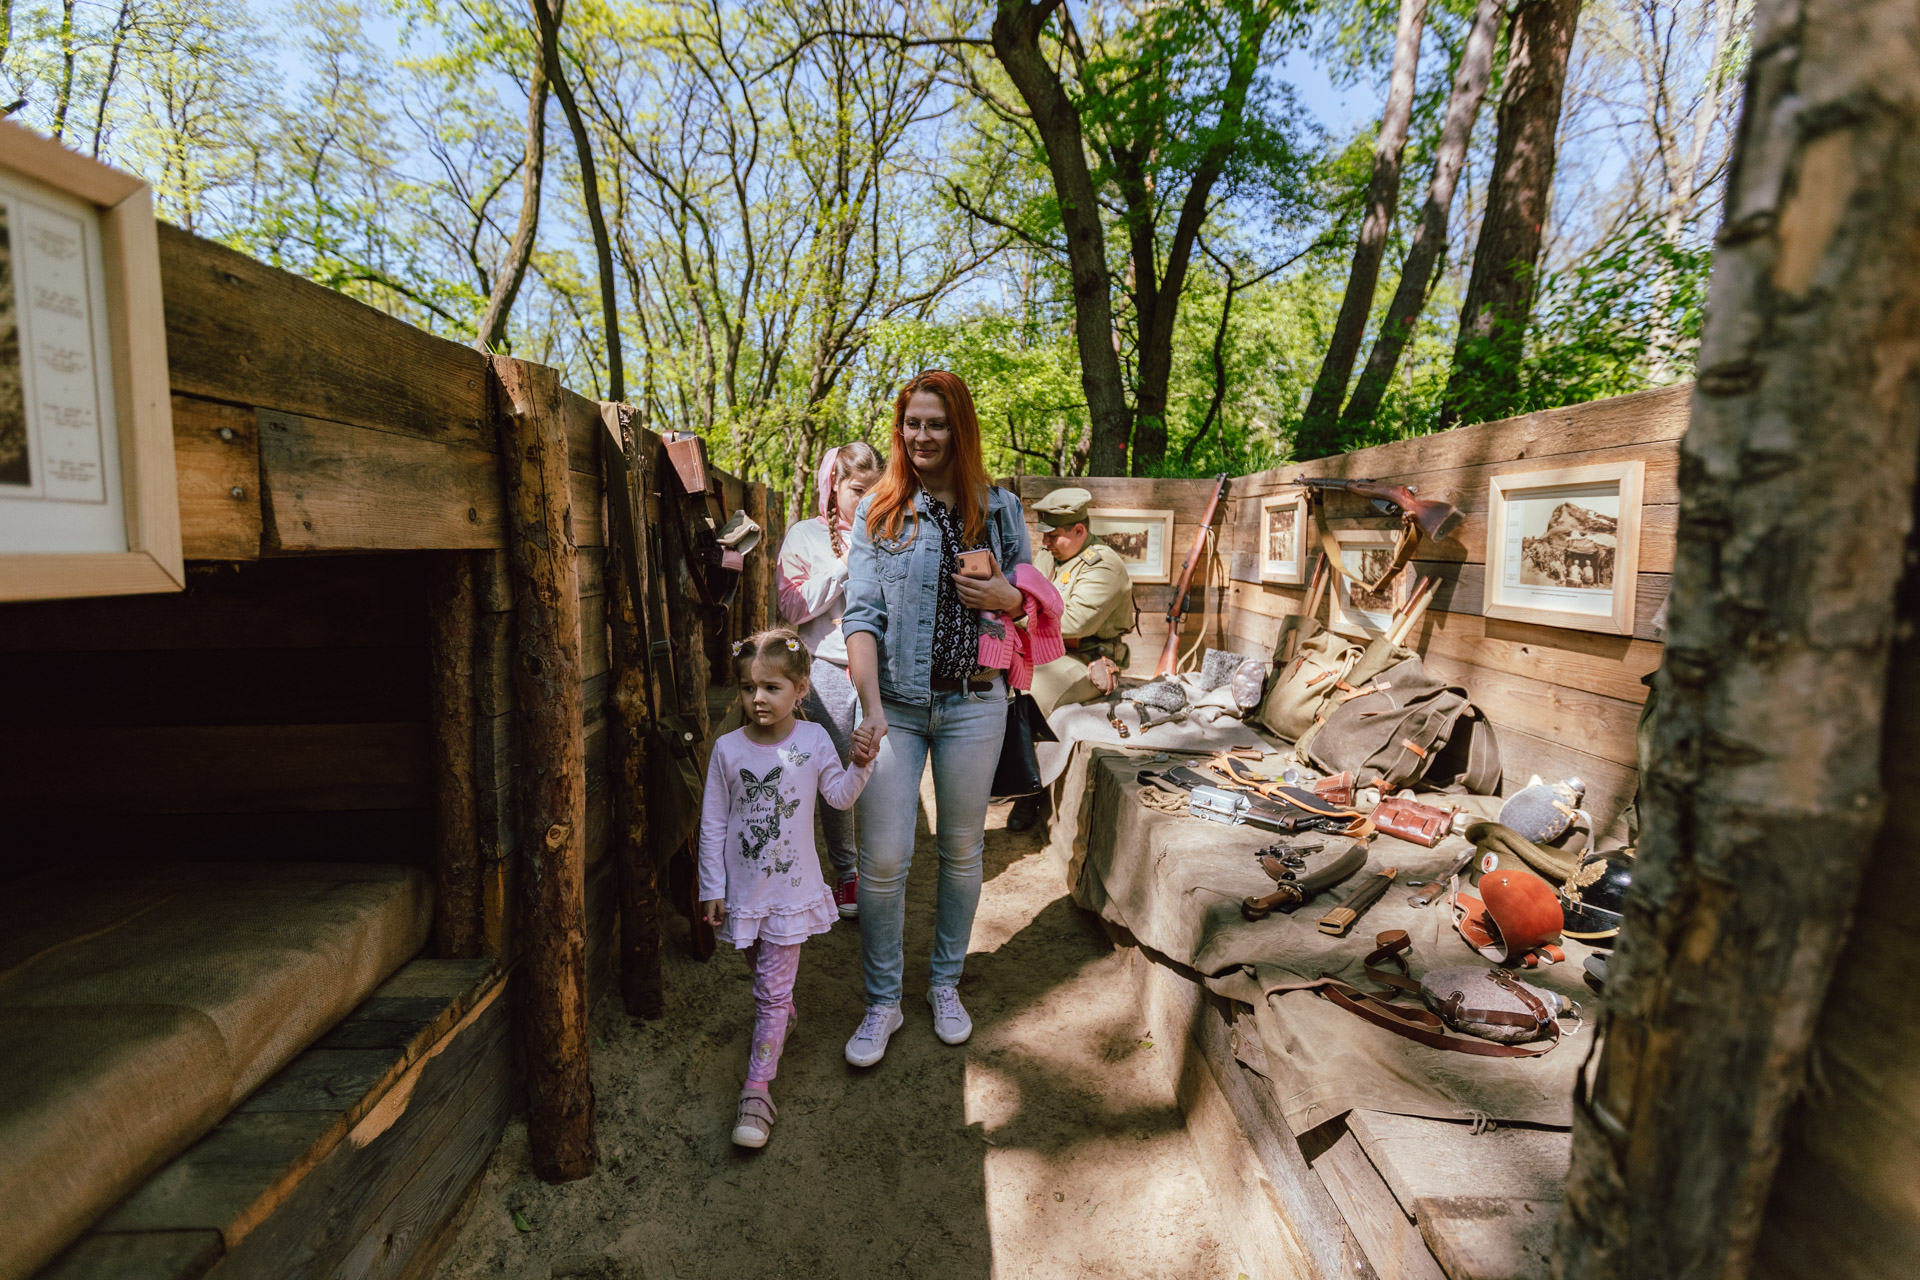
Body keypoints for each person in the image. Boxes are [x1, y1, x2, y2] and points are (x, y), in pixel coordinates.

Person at [840, 369, 1033, 1068]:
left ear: (960, 429)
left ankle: (945, 984)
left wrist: (1004, 593)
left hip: (975, 701)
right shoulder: (879, 511)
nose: (922, 436)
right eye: (912, 423)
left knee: (960, 851)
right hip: (895, 705)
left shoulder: (1002, 509)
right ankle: (883, 1001)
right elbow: (858, 615)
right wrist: (869, 708)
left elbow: (1032, 603)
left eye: (936, 423)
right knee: (884, 859)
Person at [698, 628, 878, 1148]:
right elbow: (712, 824)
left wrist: (860, 765)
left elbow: (840, 798)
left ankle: (757, 1092)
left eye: (772, 687)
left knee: (769, 994)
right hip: (743, 896)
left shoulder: (815, 740)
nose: (759, 698)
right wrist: (713, 886)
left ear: (801, 689)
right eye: (750, 688)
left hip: (791, 895)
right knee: (759, 973)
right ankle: (784, 1016)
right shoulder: (727, 750)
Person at [776, 441, 885, 917]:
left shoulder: (892, 532)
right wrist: (846, 563)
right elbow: (792, 607)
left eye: (874, 490)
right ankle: (847, 874)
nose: (865, 500)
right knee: (838, 773)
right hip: (826, 670)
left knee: (881, 769)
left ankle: (884, 872)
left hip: (882, 669)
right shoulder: (805, 535)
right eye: (857, 490)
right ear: (832, 486)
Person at [1007, 487, 1136, 832]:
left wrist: (1018, 613)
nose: (1045, 543)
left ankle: (1028, 789)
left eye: (1054, 535)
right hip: (1043, 646)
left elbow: (1075, 621)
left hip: (1087, 656)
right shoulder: (1051, 558)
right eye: (1045, 536)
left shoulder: (1104, 565)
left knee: (1034, 693)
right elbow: (1026, 594)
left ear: (1079, 531)